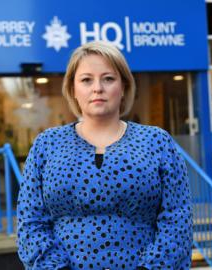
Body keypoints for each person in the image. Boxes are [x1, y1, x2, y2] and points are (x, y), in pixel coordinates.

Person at [17, 41, 193, 270]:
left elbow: (178, 217)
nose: (97, 88)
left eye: (108, 78)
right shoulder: (47, 145)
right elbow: (30, 220)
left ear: (124, 87)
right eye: (86, 79)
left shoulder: (157, 142)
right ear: (73, 89)